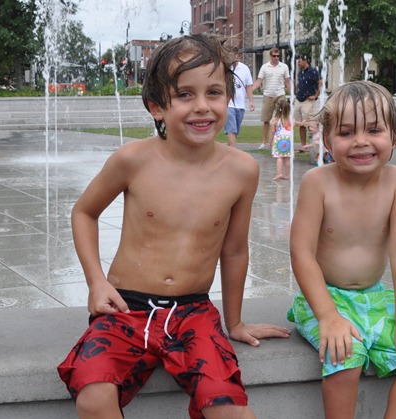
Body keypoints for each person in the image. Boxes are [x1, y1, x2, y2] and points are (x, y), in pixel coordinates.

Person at [57, 34, 291, 419]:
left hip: (193, 312)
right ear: (156, 107)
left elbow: (234, 250)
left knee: (229, 407)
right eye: (184, 94)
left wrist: (234, 321)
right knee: (94, 396)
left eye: (214, 93)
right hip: (125, 309)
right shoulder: (133, 160)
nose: (202, 106)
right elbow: (84, 212)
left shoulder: (241, 170)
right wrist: (96, 282)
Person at [287, 81, 396, 419]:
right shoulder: (318, 183)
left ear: (395, 136)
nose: (360, 141)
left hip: (375, 298)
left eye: (374, 130)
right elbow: (302, 253)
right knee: (345, 357)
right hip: (323, 298)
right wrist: (328, 316)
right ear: (328, 141)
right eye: (346, 132)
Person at [252, 48, 291, 150]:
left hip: (280, 94)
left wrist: (292, 94)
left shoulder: (284, 66)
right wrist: (250, 90)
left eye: (278, 56)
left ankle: (280, 140)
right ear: (270, 56)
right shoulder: (265, 67)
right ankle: (264, 142)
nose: (276, 58)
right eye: (274, 56)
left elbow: (287, 81)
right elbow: (259, 80)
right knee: (266, 120)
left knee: (282, 118)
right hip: (268, 95)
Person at [224, 47, 255, 147]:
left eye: (234, 55)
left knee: (234, 132)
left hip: (240, 105)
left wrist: (251, 101)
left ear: (238, 55)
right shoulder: (224, 68)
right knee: (231, 130)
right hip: (228, 104)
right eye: (230, 56)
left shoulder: (244, 68)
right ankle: (234, 153)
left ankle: (229, 152)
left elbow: (249, 85)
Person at [294, 54, 322, 150]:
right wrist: (296, 93)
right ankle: (303, 146)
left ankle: (314, 146)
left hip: (308, 101)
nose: (298, 64)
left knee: (310, 124)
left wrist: (316, 95)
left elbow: (320, 83)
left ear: (305, 60)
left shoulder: (313, 71)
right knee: (301, 124)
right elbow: (299, 83)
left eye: (299, 62)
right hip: (299, 100)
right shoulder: (300, 72)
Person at [269, 99, 293, 180]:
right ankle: (287, 175)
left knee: (279, 157)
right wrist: (303, 123)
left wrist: (270, 141)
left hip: (279, 140)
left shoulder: (275, 120)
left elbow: (272, 131)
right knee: (287, 158)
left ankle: (279, 173)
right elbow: (297, 124)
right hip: (288, 140)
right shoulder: (290, 120)